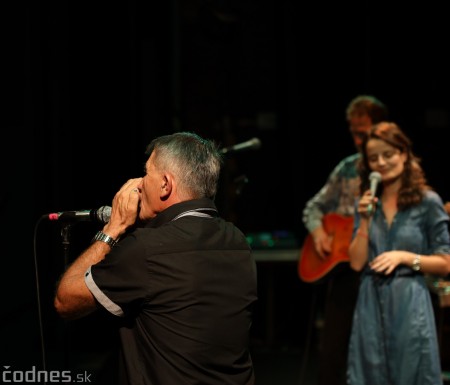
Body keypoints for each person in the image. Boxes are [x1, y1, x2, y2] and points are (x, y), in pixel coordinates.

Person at [54, 131, 258, 385]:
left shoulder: (146, 249)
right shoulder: (238, 242)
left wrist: (113, 228)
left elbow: (66, 300)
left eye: (146, 173)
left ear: (165, 184)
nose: (138, 184)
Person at [347, 121, 450, 385]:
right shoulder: (366, 203)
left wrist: (405, 257)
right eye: (373, 158)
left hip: (409, 300)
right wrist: (365, 221)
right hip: (370, 302)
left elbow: (446, 262)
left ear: (403, 154)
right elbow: (357, 263)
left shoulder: (427, 202)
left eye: (388, 154)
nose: (381, 162)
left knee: (413, 373)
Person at [301, 95, 389, 385]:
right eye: (353, 132)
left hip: (378, 270)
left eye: (363, 132)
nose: (357, 139)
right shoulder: (347, 167)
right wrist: (320, 233)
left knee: (373, 350)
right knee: (331, 351)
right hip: (342, 272)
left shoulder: (393, 168)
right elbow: (314, 206)